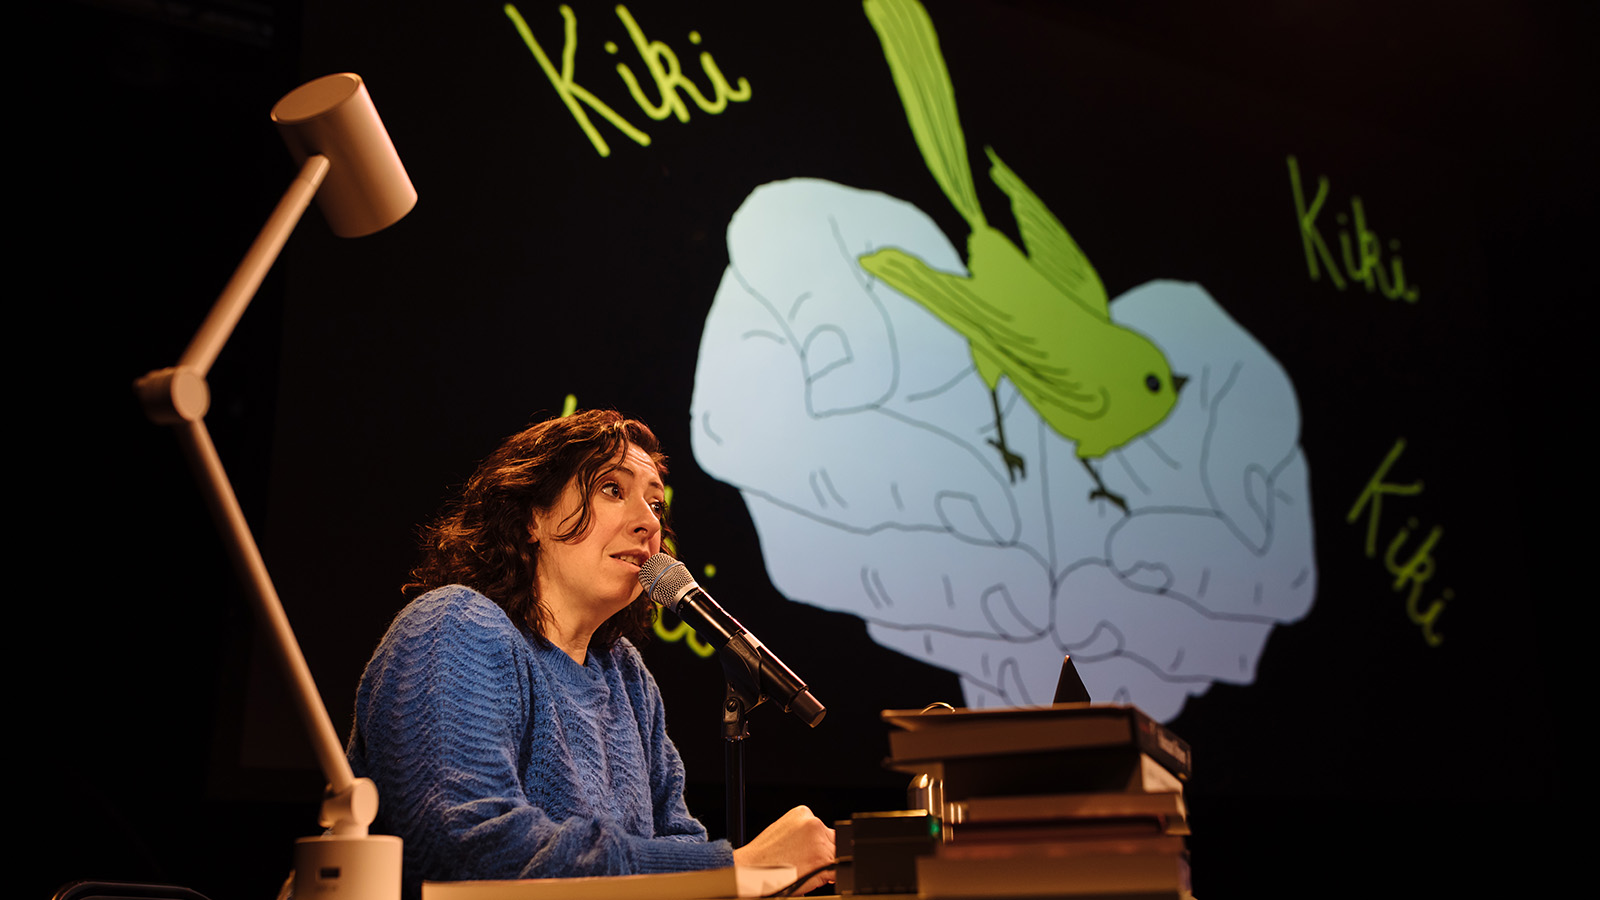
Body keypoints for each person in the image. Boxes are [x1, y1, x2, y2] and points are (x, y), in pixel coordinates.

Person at [347, 409, 836, 897]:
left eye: (656, 506)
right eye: (612, 490)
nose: (648, 523)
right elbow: (466, 851)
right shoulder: (455, 624)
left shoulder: (626, 675)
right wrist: (739, 866)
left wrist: (759, 881)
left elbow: (678, 845)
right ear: (531, 517)